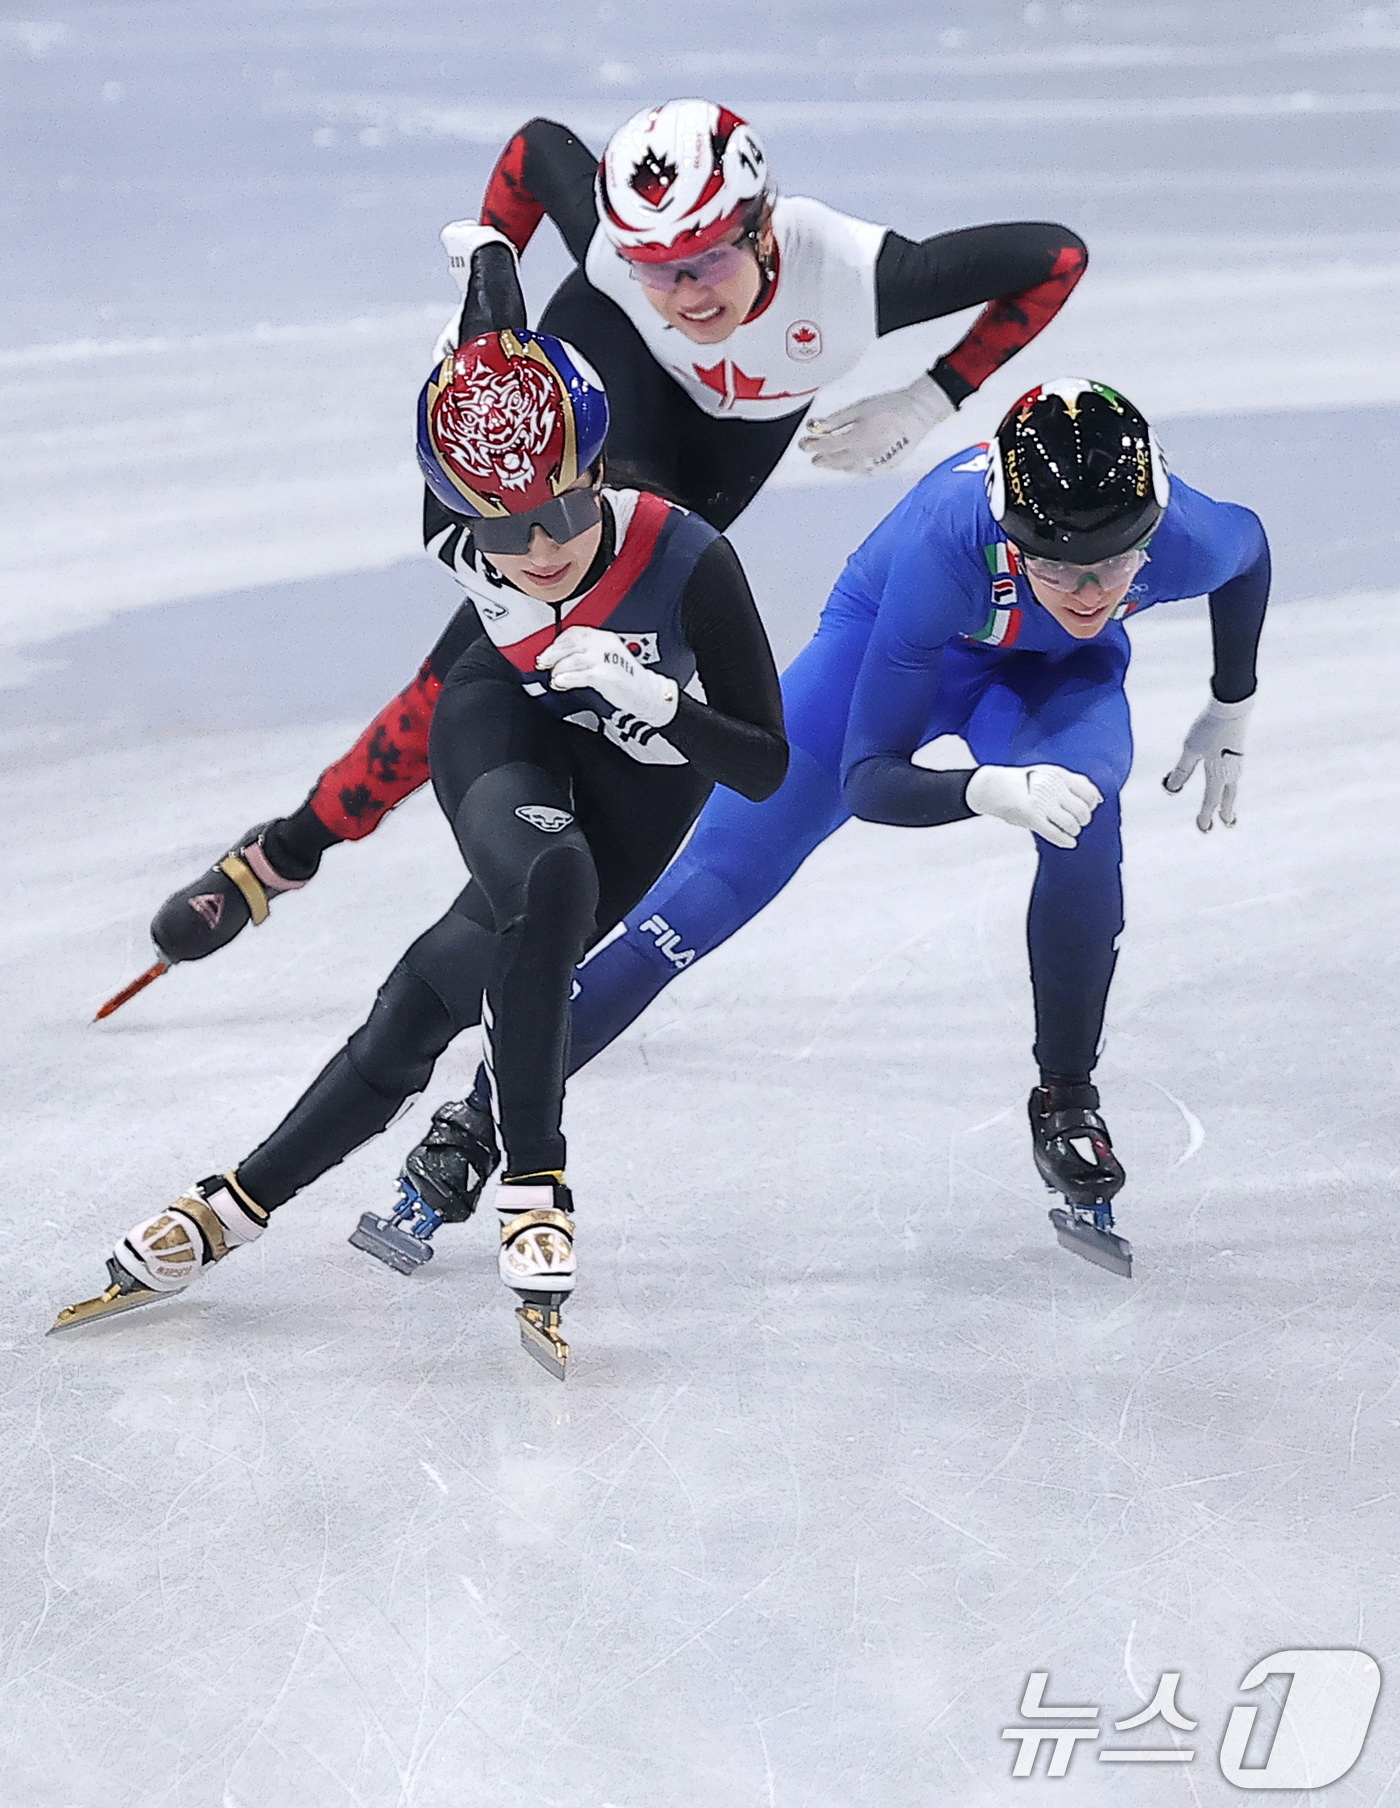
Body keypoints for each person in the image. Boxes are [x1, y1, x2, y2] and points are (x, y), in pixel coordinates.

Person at [132, 94, 1087, 993]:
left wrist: (935, 393)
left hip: (717, 450)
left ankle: (450, 874)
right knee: (496, 640)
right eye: (653, 263)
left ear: (763, 226)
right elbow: (534, 146)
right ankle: (288, 853)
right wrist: (488, 309)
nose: (683, 291)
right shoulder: (617, 265)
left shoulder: (857, 275)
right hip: (603, 390)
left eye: (707, 258)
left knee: (623, 658)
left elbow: (1057, 257)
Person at [54, 236, 788, 1376]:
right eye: (502, 531)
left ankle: (237, 1201)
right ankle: (537, 1181)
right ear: (460, 516)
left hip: (650, 763)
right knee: (550, 879)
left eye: (558, 513)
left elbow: (764, 766)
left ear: (596, 469)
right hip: (501, 713)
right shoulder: (460, 517)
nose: (537, 548)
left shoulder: (686, 557)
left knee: (445, 980)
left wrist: (662, 702)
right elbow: (482, 364)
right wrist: (284, 851)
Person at [381, 377, 1271, 1278]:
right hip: (885, 651)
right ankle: (483, 1115)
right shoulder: (943, 553)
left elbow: (1253, 555)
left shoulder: (1185, 537)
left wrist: (1232, 699)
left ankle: (1068, 1098)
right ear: (1009, 536)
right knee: (698, 905)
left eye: (1116, 567)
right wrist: (981, 789)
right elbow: (870, 777)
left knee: (1087, 820)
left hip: (1052, 679)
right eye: (1053, 566)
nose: (1086, 591)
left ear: (1152, 533)